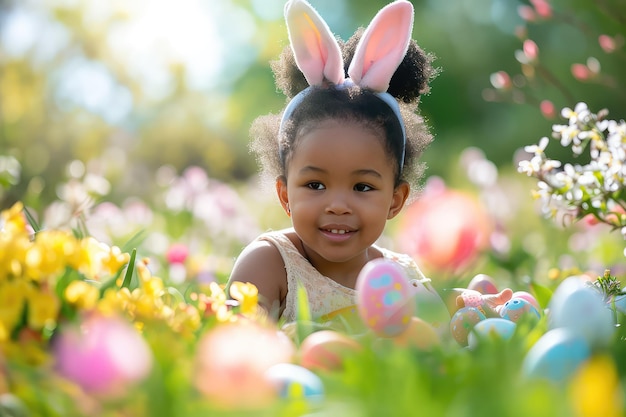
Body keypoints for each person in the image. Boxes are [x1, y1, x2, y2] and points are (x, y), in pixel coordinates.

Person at [228, 0, 449, 330]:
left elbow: (439, 343)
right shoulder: (270, 264)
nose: (338, 206)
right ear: (285, 194)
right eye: (315, 185)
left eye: (362, 187)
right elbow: (238, 351)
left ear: (395, 199)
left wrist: (474, 309)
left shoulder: (401, 278)